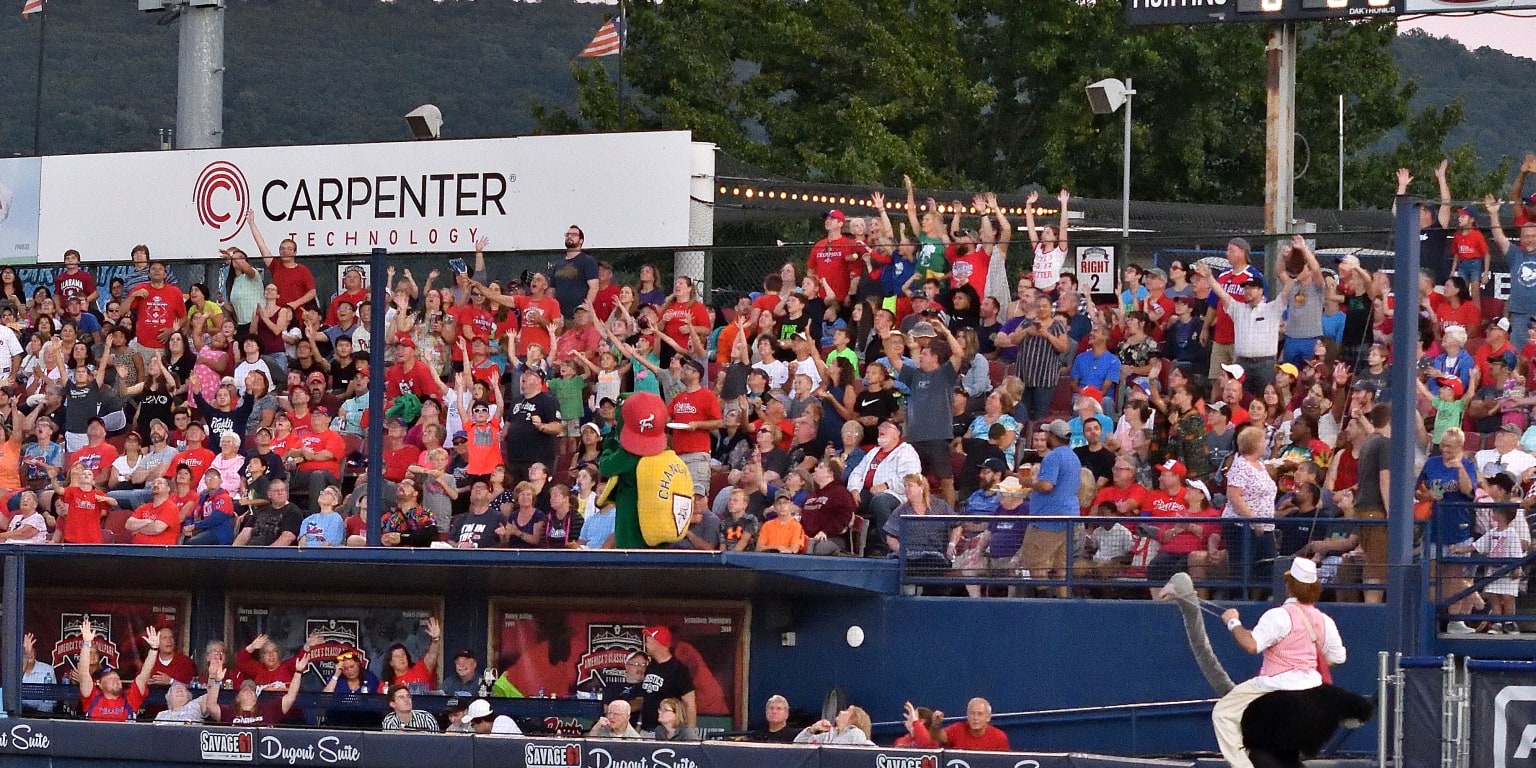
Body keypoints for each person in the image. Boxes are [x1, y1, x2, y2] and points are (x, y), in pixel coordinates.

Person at [1215, 558, 1346, 768]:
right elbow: (1338, 657)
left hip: (1274, 685)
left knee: (1223, 713)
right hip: (1310, 688)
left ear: (1289, 586)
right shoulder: (1325, 621)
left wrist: (1233, 621)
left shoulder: (1278, 616)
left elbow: (1251, 646)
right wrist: (1305, 663)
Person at [891, 319, 966, 505]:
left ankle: (950, 520)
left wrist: (946, 333)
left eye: (924, 354)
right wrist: (886, 338)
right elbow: (894, 360)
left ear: (935, 358)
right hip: (914, 437)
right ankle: (918, 514)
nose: (920, 357)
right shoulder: (914, 375)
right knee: (915, 482)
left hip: (938, 436)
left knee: (946, 480)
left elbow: (958, 354)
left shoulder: (945, 374)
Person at [1020, 420, 1082, 597]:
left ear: (1054, 437)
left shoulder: (1053, 456)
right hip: (1069, 519)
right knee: (1061, 569)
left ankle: (1044, 604)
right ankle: (1064, 605)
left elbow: (1047, 485)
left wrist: (1028, 481)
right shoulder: (1073, 456)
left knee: (1036, 564)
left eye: (1048, 434)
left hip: (1048, 520)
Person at [76, 617, 154, 721]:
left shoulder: (130, 699)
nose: (116, 680)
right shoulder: (93, 697)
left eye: (117, 678)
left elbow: (144, 675)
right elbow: (84, 673)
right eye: (111, 678)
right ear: (99, 684)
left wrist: (154, 649)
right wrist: (86, 643)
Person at [639, 625, 697, 731]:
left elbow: (689, 704)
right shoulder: (651, 667)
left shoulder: (678, 669)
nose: (646, 644)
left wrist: (690, 733)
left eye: (648, 640)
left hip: (668, 732)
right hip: (646, 730)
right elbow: (646, 700)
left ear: (658, 642)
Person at [551, 226, 600, 319]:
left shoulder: (587, 260)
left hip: (578, 317)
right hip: (559, 317)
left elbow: (594, 287)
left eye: (574, 235)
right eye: (567, 235)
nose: (569, 237)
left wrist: (585, 309)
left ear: (581, 240)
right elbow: (552, 290)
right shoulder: (558, 264)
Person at [944, 697, 1010, 751]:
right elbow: (938, 737)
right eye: (972, 713)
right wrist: (936, 725)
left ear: (988, 718)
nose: (975, 718)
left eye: (980, 714)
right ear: (967, 716)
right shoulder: (957, 730)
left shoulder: (999, 738)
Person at [794, 705, 876, 746]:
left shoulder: (856, 734)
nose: (841, 711)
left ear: (854, 718)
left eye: (846, 711)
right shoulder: (827, 736)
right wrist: (812, 729)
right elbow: (797, 745)